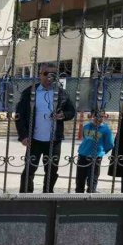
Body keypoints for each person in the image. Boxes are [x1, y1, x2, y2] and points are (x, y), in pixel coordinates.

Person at [15, 63, 77, 193]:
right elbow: (19, 115)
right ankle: (25, 197)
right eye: (45, 73)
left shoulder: (60, 93)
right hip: (34, 140)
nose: (49, 77)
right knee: (29, 170)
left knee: (51, 170)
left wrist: (63, 115)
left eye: (53, 74)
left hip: (53, 140)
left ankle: (47, 195)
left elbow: (71, 111)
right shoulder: (29, 92)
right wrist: (23, 136)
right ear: (40, 75)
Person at [76, 111, 114, 193]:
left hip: (96, 156)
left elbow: (110, 144)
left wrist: (102, 152)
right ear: (93, 116)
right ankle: (79, 191)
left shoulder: (106, 130)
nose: (99, 119)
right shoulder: (86, 126)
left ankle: (91, 190)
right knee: (80, 176)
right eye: (97, 116)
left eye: (102, 117)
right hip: (83, 154)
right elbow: (84, 137)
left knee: (93, 175)